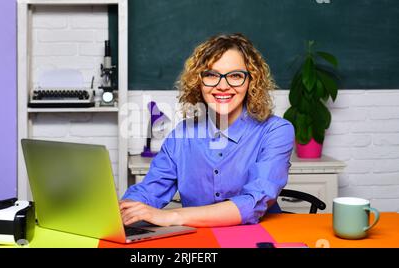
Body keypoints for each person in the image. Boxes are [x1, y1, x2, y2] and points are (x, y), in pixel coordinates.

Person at [120, 33, 294, 227]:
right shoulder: (182, 134)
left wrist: (172, 216)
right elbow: (150, 190)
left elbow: (254, 202)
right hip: (199, 240)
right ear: (199, 81)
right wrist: (124, 209)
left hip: (258, 236)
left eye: (235, 76)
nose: (222, 86)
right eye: (211, 75)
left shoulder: (276, 131)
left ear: (251, 81)